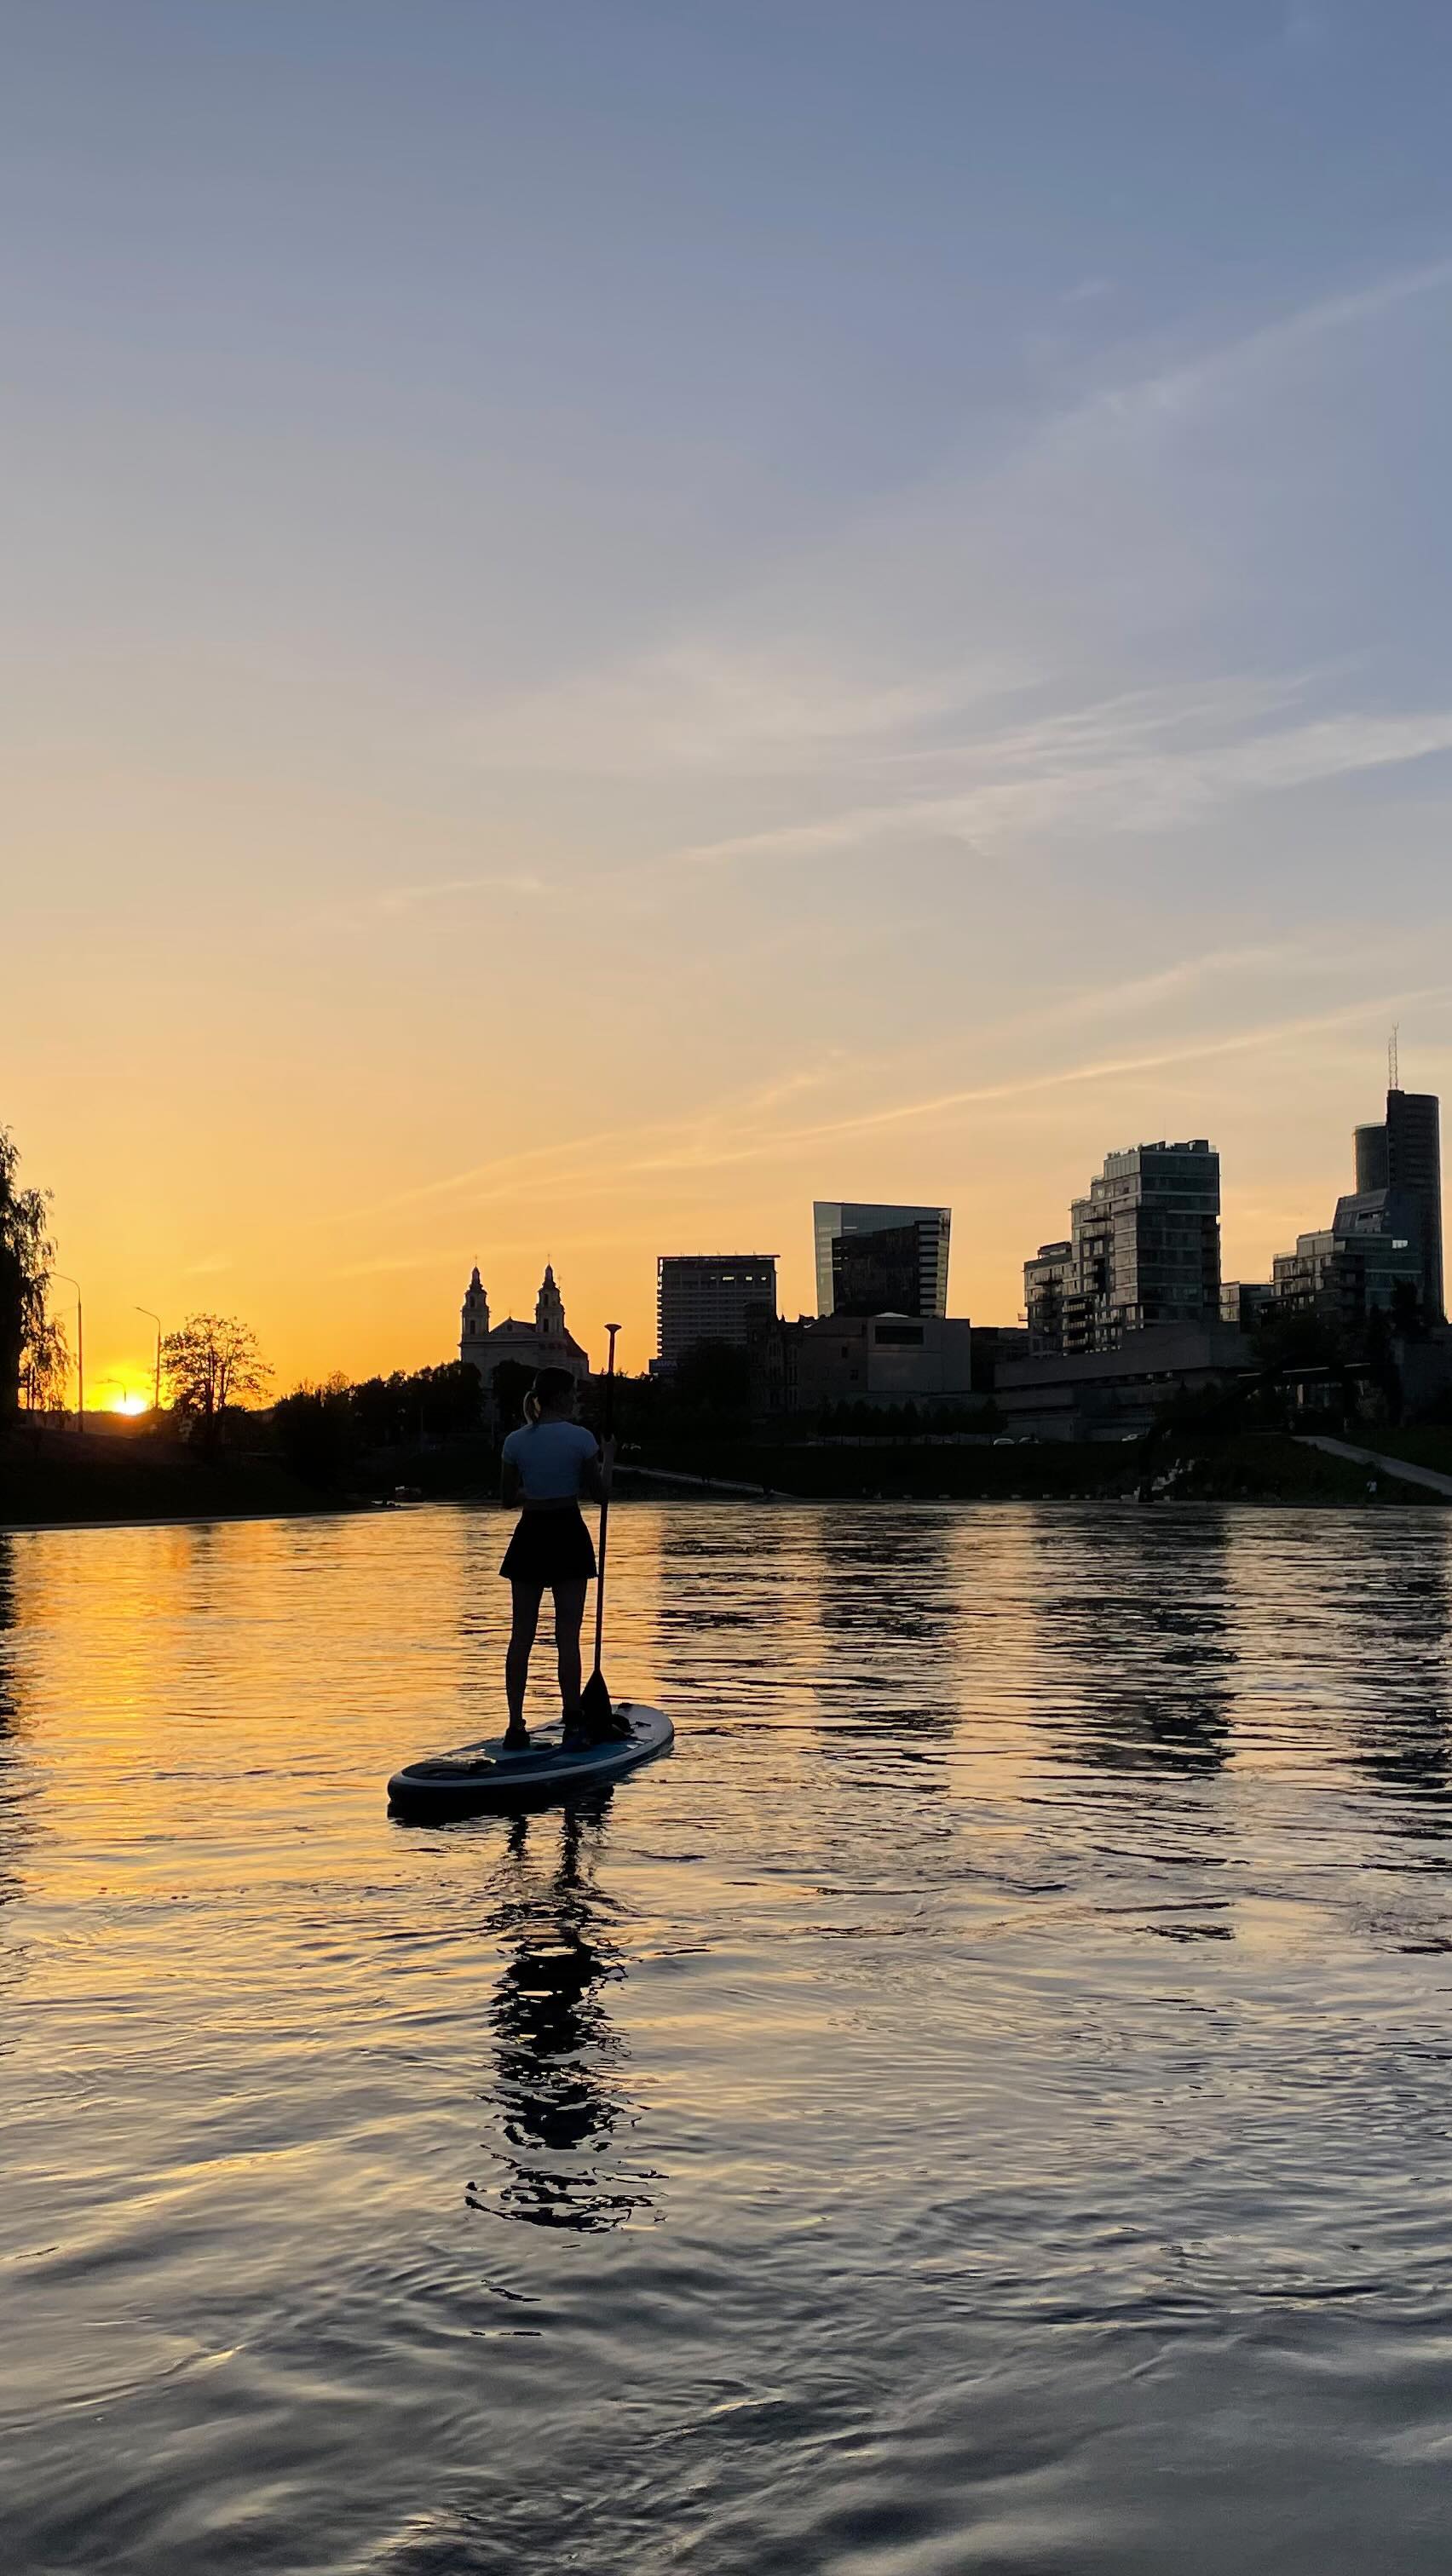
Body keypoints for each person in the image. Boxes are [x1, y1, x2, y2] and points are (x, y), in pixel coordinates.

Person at [498, 1366, 611, 1751]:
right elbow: (601, 1495)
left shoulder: (514, 1442)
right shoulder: (582, 1439)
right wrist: (608, 1457)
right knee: (568, 1637)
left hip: (531, 1532)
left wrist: (533, 1488)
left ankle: (515, 1726)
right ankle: (573, 1718)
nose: (577, 1400)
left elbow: (505, 1498)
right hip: (567, 1532)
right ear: (562, 1398)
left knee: (521, 1637)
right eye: (574, 1394)